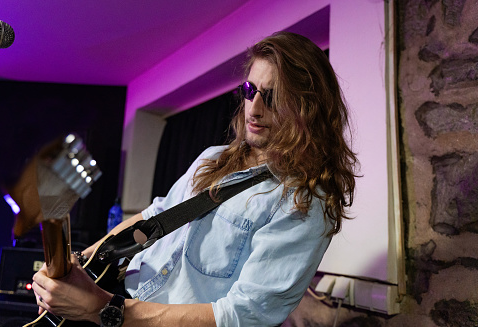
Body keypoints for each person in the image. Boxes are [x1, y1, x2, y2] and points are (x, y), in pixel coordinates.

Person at [32, 31, 358, 327]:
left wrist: (102, 307)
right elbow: (153, 217)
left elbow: (242, 315)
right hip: (118, 298)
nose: (254, 109)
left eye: (272, 97)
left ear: (306, 108)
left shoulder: (304, 201)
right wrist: (79, 266)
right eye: (249, 90)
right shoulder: (213, 157)